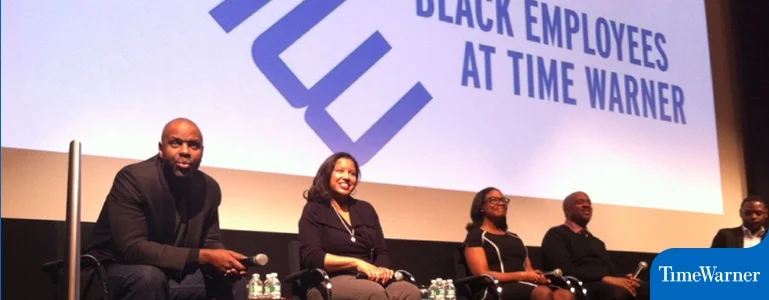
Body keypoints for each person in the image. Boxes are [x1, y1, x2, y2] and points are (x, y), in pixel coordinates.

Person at [85, 118, 248, 300]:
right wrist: (204, 256)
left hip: (168, 275)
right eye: (176, 143)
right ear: (161, 149)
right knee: (149, 277)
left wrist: (226, 261)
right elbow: (131, 249)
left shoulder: (209, 187)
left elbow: (210, 242)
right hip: (113, 271)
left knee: (232, 281)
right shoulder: (134, 178)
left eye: (194, 145)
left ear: (202, 152)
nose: (185, 151)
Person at [297, 152, 421, 300]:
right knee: (372, 292)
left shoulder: (365, 209)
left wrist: (381, 270)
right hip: (329, 279)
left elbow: (381, 251)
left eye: (352, 173)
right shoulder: (315, 209)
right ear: (327, 174)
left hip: (368, 278)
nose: (347, 177)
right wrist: (356, 263)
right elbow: (312, 257)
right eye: (340, 171)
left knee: (408, 291)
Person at [463, 187, 575, 300]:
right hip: (494, 288)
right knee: (543, 293)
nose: (501, 203)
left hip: (523, 284)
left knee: (565, 295)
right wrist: (523, 275)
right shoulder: (476, 235)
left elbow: (528, 269)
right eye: (494, 199)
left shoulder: (514, 237)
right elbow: (483, 275)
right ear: (481, 206)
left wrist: (537, 277)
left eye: (503, 200)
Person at [540, 191, 649, 300]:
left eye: (589, 203)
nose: (587, 205)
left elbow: (612, 272)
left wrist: (625, 278)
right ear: (567, 209)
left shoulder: (597, 242)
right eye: (580, 202)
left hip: (604, 284)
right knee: (620, 293)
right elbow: (564, 270)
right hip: (580, 285)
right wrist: (603, 278)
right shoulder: (556, 234)